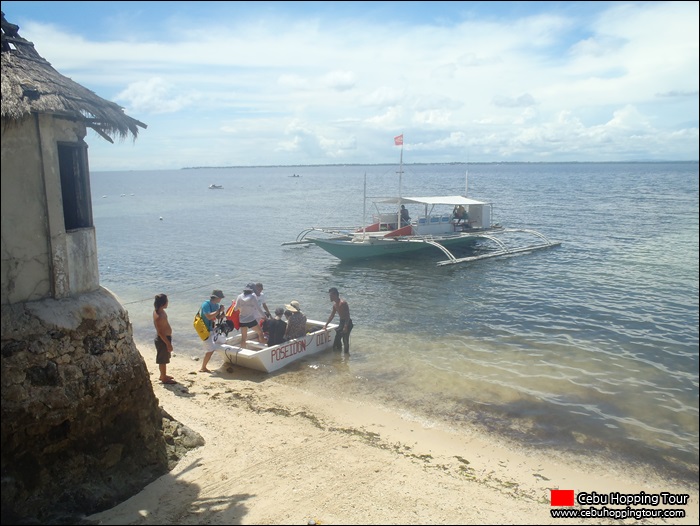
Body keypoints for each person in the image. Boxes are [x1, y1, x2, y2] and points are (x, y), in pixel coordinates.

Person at [200, 289, 226, 373]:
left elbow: (216, 317)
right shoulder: (206, 304)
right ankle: (203, 367)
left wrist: (221, 315)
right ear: (216, 297)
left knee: (222, 342)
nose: (220, 299)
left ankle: (225, 360)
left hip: (212, 329)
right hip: (204, 330)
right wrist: (219, 311)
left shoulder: (216, 305)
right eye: (220, 298)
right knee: (210, 349)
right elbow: (208, 316)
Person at [234, 284, 267, 348]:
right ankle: (263, 347)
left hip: (242, 320)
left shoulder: (239, 296)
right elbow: (258, 308)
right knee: (260, 332)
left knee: (244, 337)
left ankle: (243, 350)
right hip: (251, 319)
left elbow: (235, 309)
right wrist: (264, 316)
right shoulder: (253, 297)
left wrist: (234, 303)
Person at [153, 293, 176, 384]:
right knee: (163, 359)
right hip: (163, 339)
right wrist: (168, 344)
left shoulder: (159, 311)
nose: (168, 303)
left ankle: (163, 375)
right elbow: (160, 332)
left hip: (164, 338)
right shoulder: (160, 316)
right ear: (163, 303)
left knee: (164, 358)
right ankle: (163, 377)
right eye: (167, 301)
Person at [324, 287, 353, 353]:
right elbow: (332, 316)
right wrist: (326, 325)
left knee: (345, 340)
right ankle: (338, 357)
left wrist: (345, 326)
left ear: (335, 295)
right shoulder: (335, 305)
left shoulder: (343, 303)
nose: (330, 297)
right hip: (341, 322)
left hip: (347, 322)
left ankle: (346, 356)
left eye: (331, 296)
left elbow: (347, 316)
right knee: (337, 339)